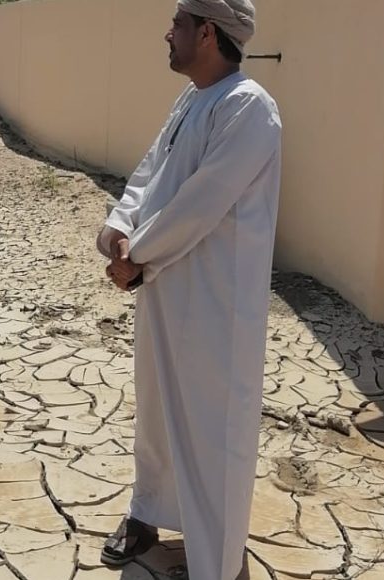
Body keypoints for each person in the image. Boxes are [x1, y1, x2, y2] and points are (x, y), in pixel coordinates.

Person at [95, 0, 281, 577]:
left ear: (207, 33)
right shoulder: (192, 99)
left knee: (212, 429)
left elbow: (202, 201)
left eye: (178, 23)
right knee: (156, 414)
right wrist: (119, 228)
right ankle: (147, 513)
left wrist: (137, 255)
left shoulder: (249, 107)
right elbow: (150, 174)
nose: (168, 33)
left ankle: (217, 561)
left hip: (213, 302)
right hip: (162, 284)